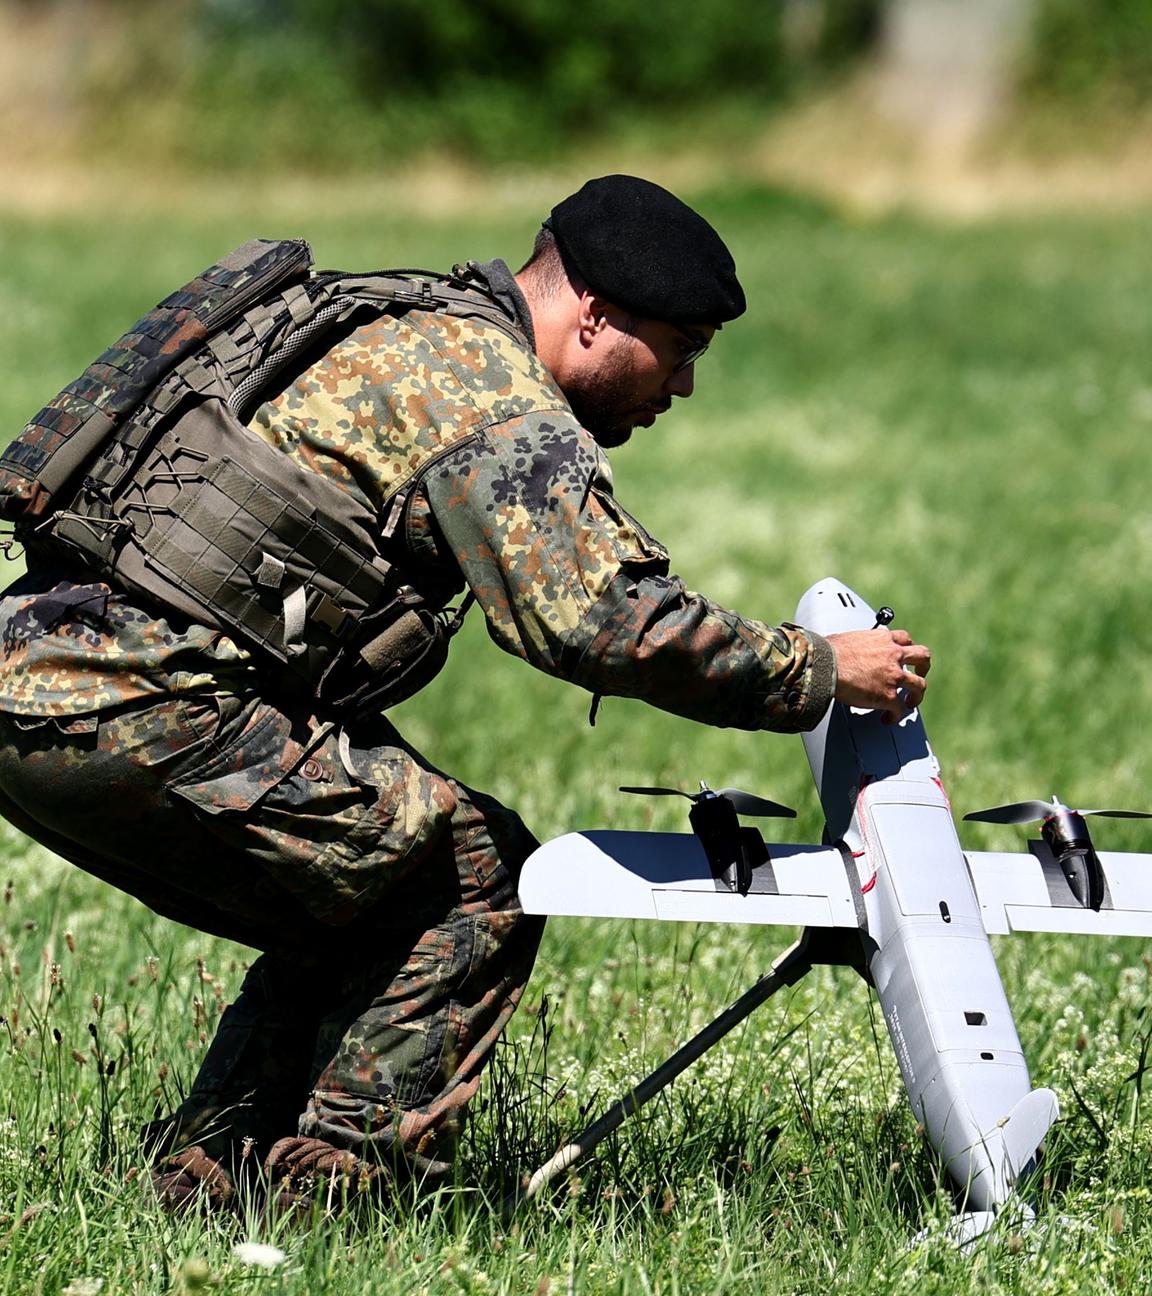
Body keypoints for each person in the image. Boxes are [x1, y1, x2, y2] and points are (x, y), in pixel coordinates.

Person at [0, 175, 929, 1212]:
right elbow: (598, 620)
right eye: (684, 348)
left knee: (363, 886)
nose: (684, 386)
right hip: (139, 703)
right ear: (596, 316)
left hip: (39, 678)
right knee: (473, 873)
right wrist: (816, 668)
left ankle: (210, 1182)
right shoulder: (490, 392)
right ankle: (345, 1199)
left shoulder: (404, 319)